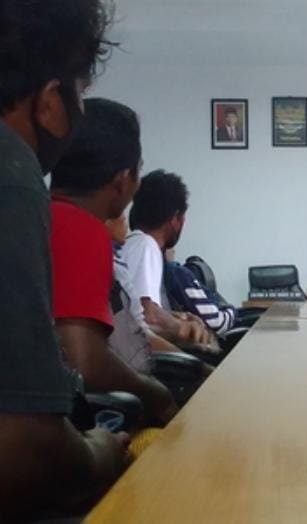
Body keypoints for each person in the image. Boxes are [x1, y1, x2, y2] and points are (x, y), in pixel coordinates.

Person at [0, 1, 129, 519]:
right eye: (80, 93)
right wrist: (103, 451)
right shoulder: (12, 174)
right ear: (51, 101)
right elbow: (22, 449)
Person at [50, 98, 178, 425]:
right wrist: (159, 395)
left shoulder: (40, 216)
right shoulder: (80, 230)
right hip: (99, 420)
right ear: (123, 179)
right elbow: (84, 361)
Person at [124, 171, 237, 338]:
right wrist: (184, 327)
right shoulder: (145, 246)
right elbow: (148, 316)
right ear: (175, 219)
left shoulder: (135, 245)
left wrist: (181, 318)